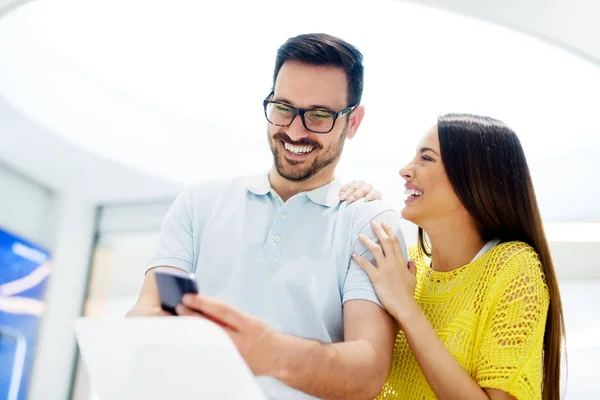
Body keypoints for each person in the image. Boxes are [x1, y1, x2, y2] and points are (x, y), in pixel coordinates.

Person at [127, 33, 408, 400]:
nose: (294, 130)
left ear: (353, 122)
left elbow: (367, 374)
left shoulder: (370, 223)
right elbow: (148, 309)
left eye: (319, 116)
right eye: (283, 108)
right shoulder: (200, 203)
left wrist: (268, 351)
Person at [351, 114, 565, 400]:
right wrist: (354, 211)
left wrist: (406, 308)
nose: (405, 170)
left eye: (426, 159)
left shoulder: (514, 267)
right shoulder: (403, 267)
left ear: (474, 177)